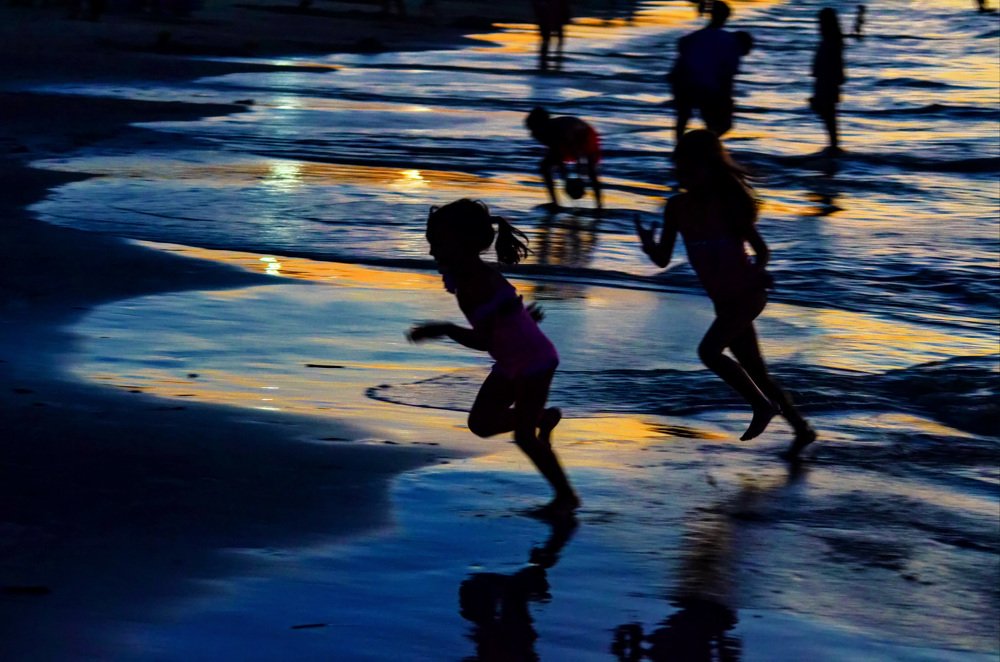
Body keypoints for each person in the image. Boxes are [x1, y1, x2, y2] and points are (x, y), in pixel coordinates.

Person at [634, 130, 816, 458]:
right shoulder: (675, 208)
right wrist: (648, 246)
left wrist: (759, 270)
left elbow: (761, 250)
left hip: (748, 294)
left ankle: (762, 406)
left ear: (712, 168)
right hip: (724, 302)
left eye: (692, 169)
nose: (684, 175)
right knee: (756, 371)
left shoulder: (727, 206)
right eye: (680, 169)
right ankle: (802, 429)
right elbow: (662, 259)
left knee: (709, 352)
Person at [408, 199, 581, 515]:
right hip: (513, 357)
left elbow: (483, 340)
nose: (432, 252)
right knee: (481, 423)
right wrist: (521, 319)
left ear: (462, 244)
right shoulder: (469, 278)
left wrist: (445, 328)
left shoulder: (475, 284)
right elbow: (502, 317)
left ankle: (566, 497)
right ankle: (543, 417)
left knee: (525, 438)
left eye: (438, 244)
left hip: (532, 361)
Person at [668, 1, 747, 144]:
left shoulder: (692, 37)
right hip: (707, 87)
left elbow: (681, 56)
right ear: (727, 17)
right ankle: (702, 147)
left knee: (682, 119)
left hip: (684, 82)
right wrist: (728, 99)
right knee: (720, 125)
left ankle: (681, 149)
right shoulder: (730, 41)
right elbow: (728, 75)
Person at [525, 106, 603, 211]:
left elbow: (579, 155)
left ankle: (599, 205)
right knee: (544, 167)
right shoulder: (538, 133)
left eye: (536, 127)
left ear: (544, 123)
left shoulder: (561, 129)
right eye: (532, 128)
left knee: (590, 169)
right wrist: (565, 180)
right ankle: (555, 203)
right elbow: (558, 156)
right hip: (565, 141)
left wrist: (579, 178)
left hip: (584, 136)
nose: (533, 131)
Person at [810, 7, 846, 154]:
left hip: (827, 82)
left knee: (828, 114)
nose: (818, 25)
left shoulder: (832, 42)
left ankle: (833, 146)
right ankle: (833, 145)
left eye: (820, 22)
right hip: (825, 82)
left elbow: (836, 64)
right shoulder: (830, 41)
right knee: (828, 115)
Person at [532, 0, 572, 71]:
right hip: (549, 18)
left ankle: (547, 58)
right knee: (549, 39)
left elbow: (564, 6)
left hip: (552, 18)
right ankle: (549, 58)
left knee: (550, 39)